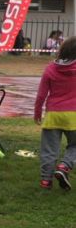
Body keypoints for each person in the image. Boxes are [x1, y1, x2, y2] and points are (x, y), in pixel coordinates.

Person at [34, 36, 76, 190]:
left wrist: (37, 111)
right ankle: (64, 166)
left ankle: (46, 181)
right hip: (74, 115)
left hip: (53, 114)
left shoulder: (51, 68)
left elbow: (41, 94)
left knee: (49, 150)